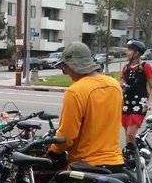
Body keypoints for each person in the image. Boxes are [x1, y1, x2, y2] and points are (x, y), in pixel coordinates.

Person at [47, 42, 125, 173]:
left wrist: (53, 150)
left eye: (64, 68)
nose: (66, 73)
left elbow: (66, 137)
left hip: (86, 167)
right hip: (115, 164)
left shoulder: (75, 91)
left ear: (72, 66)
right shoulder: (114, 85)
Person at [121, 40, 152, 144]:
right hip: (126, 104)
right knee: (127, 133)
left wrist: (148, 103)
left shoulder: (146, 66)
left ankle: (132, 155)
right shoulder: (125, 67)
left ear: (137, 53)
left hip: (139, 104)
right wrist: (121, 85)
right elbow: (123, 83)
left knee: (130, 134)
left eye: (129, 50)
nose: (126, 52)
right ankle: (130, 156)